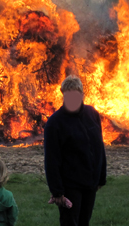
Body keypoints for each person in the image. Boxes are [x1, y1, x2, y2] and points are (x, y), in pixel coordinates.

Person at [44, 75, 106, 226]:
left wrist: (101, 177)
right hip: (70, 185)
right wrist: (57, 191)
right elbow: (52, 160)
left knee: (84, 221)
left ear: (82, 95)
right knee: (70, 223)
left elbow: (99, 147)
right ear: (63, 96)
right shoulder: (55, 123)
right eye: (68, 96)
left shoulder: (92, 114)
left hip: (90, 183)